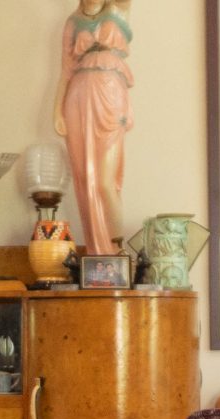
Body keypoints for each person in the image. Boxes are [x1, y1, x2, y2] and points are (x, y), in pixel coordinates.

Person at [57, 0, 133, 257]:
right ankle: (96, 251)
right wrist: (57, 110)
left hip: (110, 95)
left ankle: (117, 252)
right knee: (85, 178)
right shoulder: (72, 22)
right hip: (78, 97)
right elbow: (65, 70)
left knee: (104, 182)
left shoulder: (118, 9)